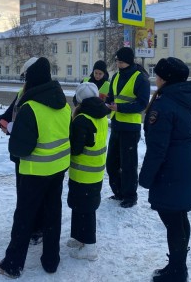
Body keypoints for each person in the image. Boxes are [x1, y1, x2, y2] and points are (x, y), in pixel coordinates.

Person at [0, 57, 71, 279]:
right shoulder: (64, 104)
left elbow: (20, 148)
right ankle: (51, 260)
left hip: (35, 171)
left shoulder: (30, 108)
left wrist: (11, 131)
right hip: (58, 169)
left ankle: (12, 264)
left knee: (24, 218)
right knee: (52, 213)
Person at [139, 57, 191, 282]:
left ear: (165, 79)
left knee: (173, 218)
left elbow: (157, 148)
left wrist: (145, 178)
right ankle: (177, 265)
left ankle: (177, 271)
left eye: (158, 75)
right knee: (179, 216)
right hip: (185, 164)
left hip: (171, 168)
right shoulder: (185, 97)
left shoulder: (164, 105)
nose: (155, 78)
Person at [0, 57, 44, 245]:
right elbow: (7, 116)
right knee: (23, 194)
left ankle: (36, 229)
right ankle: (32, 226)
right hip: (20, 154)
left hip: (36, 156)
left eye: (26, 77)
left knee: (33, 196)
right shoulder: (23, 92)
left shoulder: (41, 95)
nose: (24, 82)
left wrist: (15, 130)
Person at [67, 82, 111, 261]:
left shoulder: (82, 119)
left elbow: (76, 148)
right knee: (81, 206)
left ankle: (90, 247)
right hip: (96, 170)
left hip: (82, 171)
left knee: (85, 209)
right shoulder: (99, 115)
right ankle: (79, 238)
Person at [105, 47, 150, 208]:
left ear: (129, 61)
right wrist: (105, 104)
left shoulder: (140, 78)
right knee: (112, 163)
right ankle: (118, 192)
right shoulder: (116, 76)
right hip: (116, 125)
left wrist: (120, 108)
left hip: (130, 127)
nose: (117, 64)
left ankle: (130, 197)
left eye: (120, 61)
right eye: (116, 60)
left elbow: (142, 104)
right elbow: (111, 96)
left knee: (128, 165)